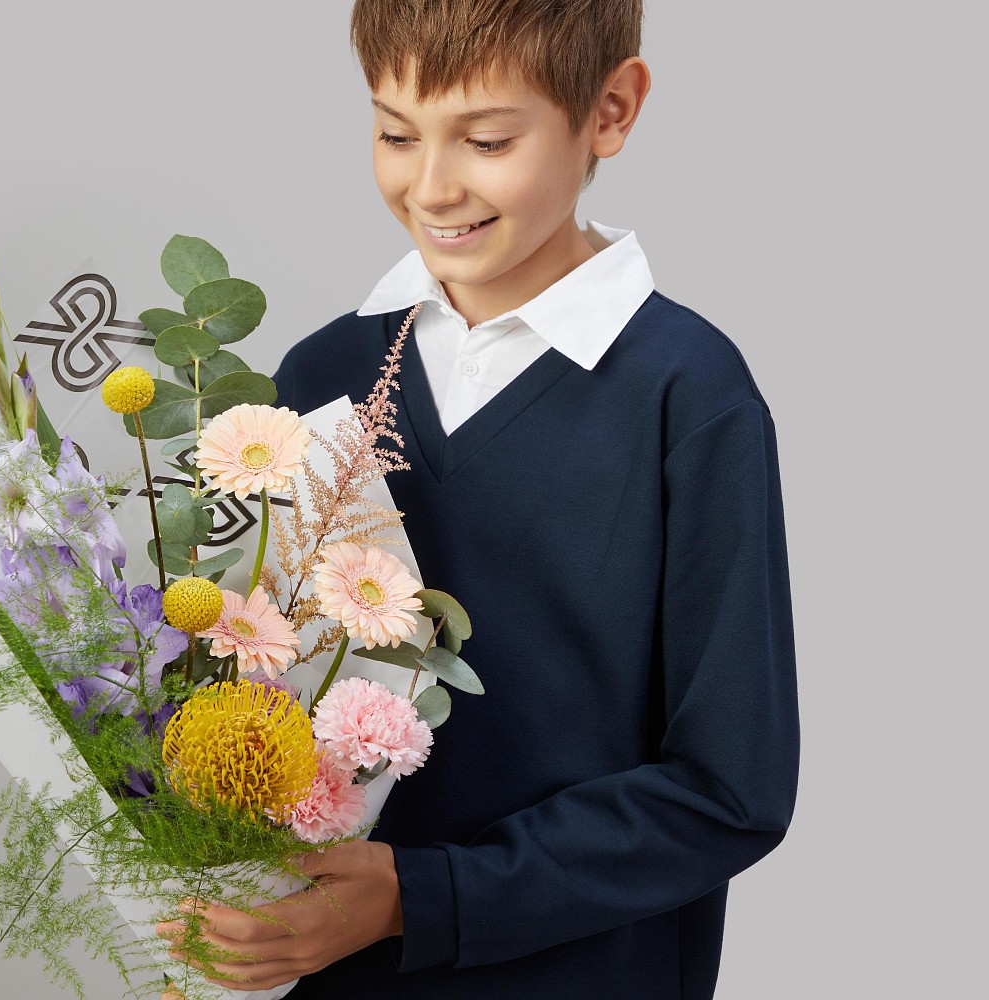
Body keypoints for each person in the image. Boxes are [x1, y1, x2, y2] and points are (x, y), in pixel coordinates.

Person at [160, 2, 799, 997]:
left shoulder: (688, 396)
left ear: (610, 110)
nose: (430, 187)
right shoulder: (322, 373)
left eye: (487, 141)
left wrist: (421, 897)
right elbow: (263, 681)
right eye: (395, 133)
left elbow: (729, 790)